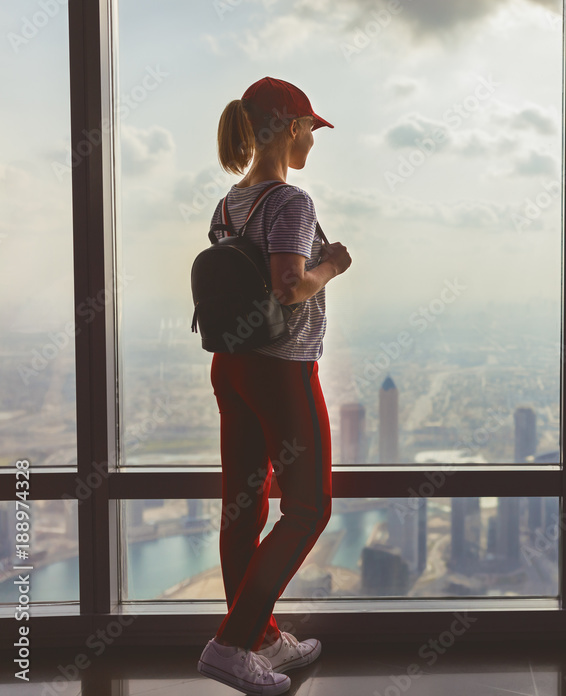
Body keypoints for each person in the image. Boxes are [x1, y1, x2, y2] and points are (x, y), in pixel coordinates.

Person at [196, 76, 351, 696]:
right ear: (290, 127)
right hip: (282, 370)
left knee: (244, 506)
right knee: (310, 505)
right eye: (312, 126)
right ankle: (231, 645)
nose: (315, 137)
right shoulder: (292, 202)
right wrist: (331, 267)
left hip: (230, 366)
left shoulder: (231, 201)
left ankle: (259, 639)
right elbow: (289, 285)